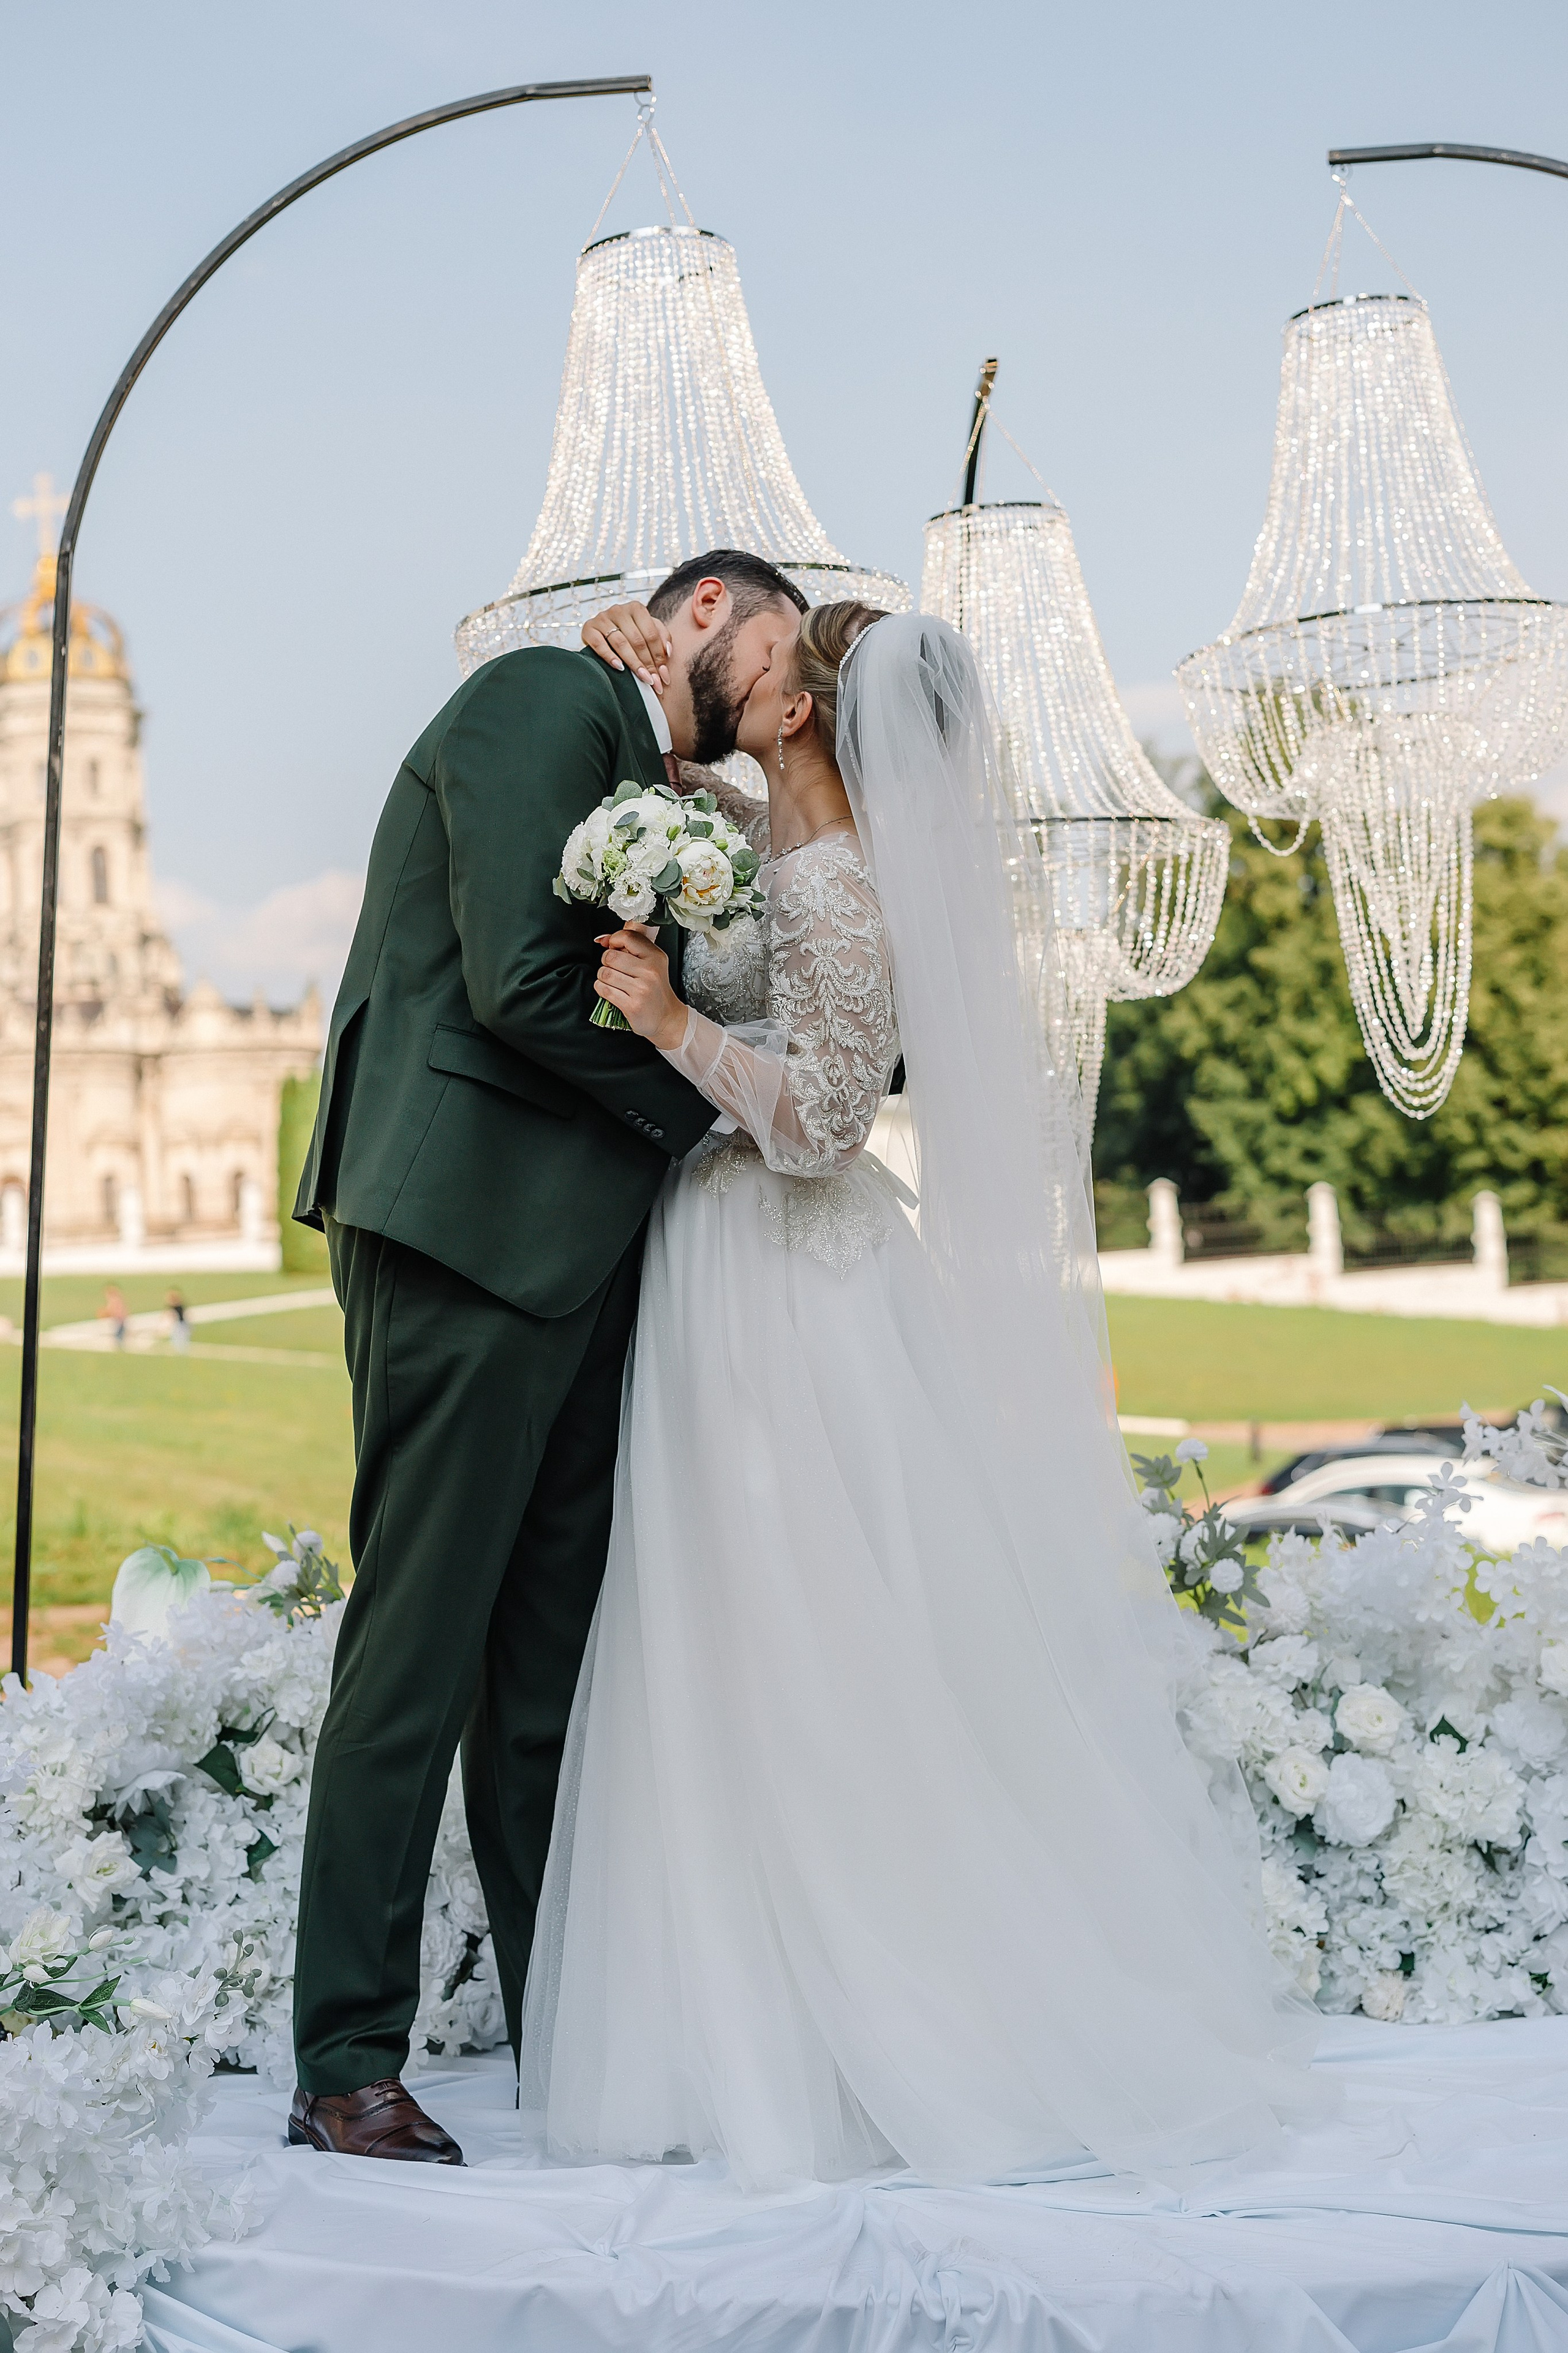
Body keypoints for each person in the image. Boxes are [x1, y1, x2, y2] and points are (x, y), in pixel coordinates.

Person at [518, 600, 1325, 2189]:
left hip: (786, 1283)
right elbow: (689, 793)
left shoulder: (841, 880)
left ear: (804, 711)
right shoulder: (771, 828)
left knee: (803, 1631)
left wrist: (670, 1021)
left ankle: (866, 2013)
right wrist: (632, 657)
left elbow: (824, 1124)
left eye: (755, 654)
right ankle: (734, 2012)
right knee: (725, 1628)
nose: (734, 663)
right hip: (730, 1266)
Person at [285, 550, 807, 2166]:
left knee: (544, 1682)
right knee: (421, 1647)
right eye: (780, 650)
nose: (788, 692)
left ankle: (568, 2028)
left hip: (581, 1254)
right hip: (466, 1228)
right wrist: (706, 1118)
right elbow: (519, 981)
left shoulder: (662, 786)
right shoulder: (542, 699)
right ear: (705, 611)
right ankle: (344, 2059)